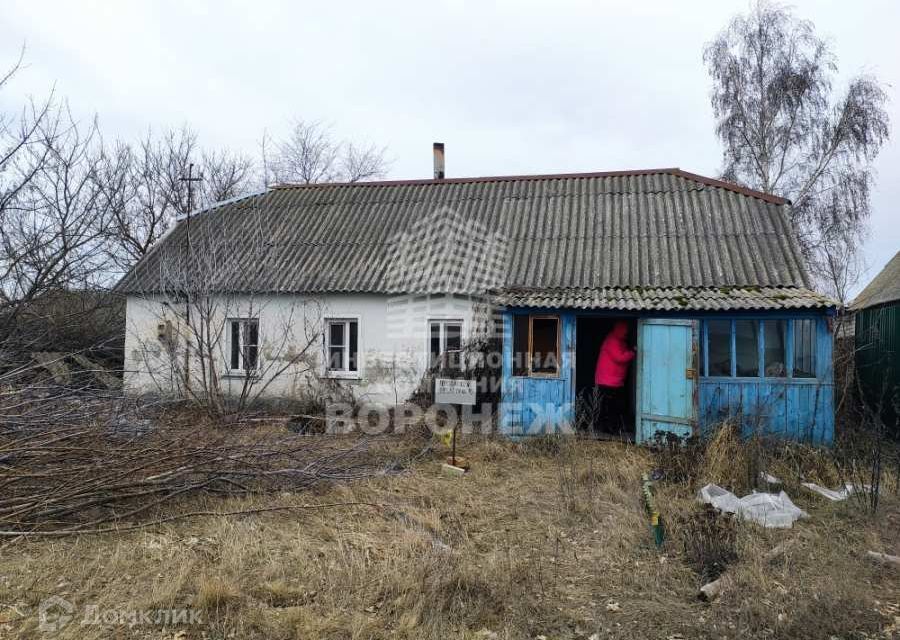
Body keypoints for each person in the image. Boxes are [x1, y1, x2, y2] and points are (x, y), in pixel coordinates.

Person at [593, 321, 635, 430]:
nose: (626, 334)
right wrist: (633, 352)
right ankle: (607, 427)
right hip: (607, 381)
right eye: (625, 331)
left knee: (612, 406)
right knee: (609, 406)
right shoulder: (612, 340)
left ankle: (611, 427)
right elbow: (620, 358)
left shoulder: (620, 341)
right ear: (620, 330)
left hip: (614, 381)